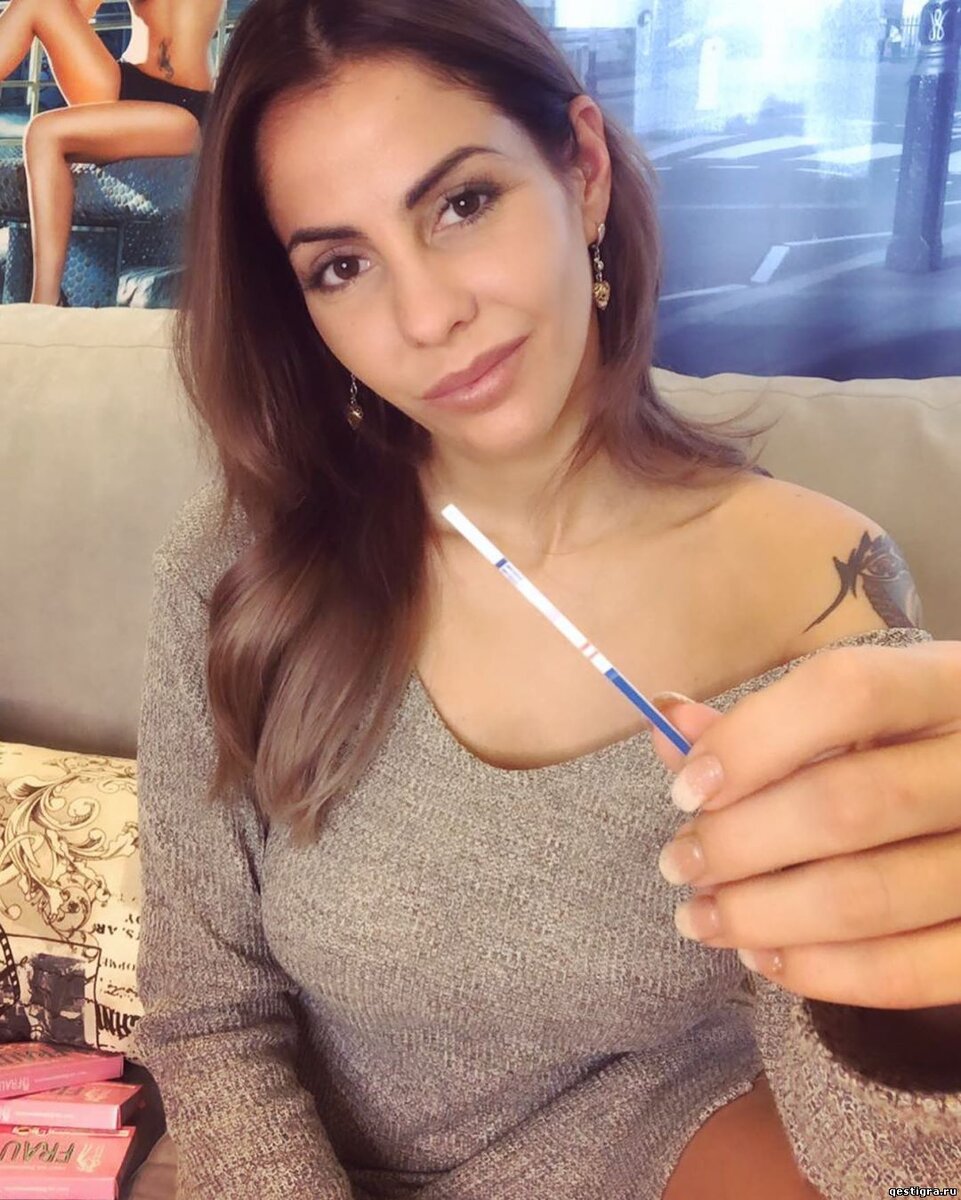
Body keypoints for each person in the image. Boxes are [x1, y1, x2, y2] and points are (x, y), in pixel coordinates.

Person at [131, 1, 961, 1197]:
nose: (427, 317)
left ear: (581, 170)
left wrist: (925, 1020)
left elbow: (890, 1164)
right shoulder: (237, 576)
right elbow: (210, 1023)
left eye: (462, 203)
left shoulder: (820, 590)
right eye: (341, 265)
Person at [0, 0, 225, 305]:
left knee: (43, 133)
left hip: (185, 107)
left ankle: (45, 300)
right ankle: (46, 300)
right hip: (121, 83)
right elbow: (74, 14)